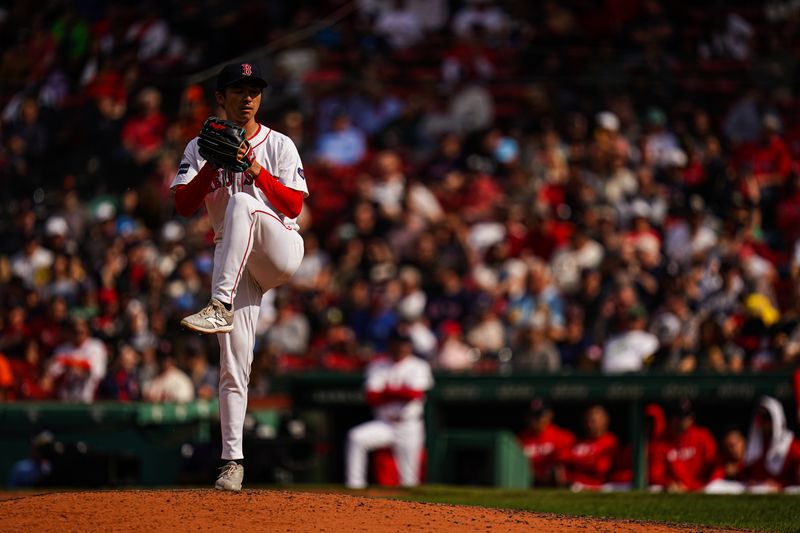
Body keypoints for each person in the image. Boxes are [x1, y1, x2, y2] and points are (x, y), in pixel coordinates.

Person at [172, 62, 307, 491]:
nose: (248, 96)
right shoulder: (199, 146)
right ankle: (232, 463)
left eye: (254, 89)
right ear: (221, 98)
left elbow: (294, 207)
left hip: (278, 247)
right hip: (234, 258)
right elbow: (183, 205)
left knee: (242, 205)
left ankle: (219, 304)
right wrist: (213, 166)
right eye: (238, 89)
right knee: (233, 364)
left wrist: (255, 172)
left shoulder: (279, 144)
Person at [345, 326, 434, 489]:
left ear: (409, 346)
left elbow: (414, 394)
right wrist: (399, 392)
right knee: (356, 438)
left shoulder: (419, 366)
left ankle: (413, 512)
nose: (400, 347)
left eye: (404, 343)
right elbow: (371, 396)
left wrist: (386, 391)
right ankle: (355, 486)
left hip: (409, 425)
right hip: (384, 424)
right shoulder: (378, 365)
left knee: (409, 480)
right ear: (390, 344)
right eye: (397, 343)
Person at [656, 399, 717, 492]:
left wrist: (706, 484)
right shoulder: (661, 441)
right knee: (654, 488)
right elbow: (655, 473)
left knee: (718, 486)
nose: (685, 420)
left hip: (703, 487)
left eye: (688, 416)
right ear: (671, 417)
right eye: (680, 416)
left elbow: (715, 465)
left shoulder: (703, 436)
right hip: (674, 489)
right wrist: (667, 483)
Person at [741, 396, 800, 492]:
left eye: (767, 418)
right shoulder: (755, 445)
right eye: (760, 417)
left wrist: (781, 485)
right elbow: (746, 474)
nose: (763, 423)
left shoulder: (791, 445)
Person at [557, 404, 619, 490]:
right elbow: (562, 460)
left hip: (600, 486)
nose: (589, 425)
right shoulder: (578, 442)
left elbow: (601, 469)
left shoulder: (610, 441)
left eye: (593, 421)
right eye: (587, 421)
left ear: (605, 421)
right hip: (573, 485)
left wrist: (575, 462)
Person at [517, 398, 575, 486]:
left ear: (549, 415)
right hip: (528, 483)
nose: (534, 420)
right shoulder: (519, 439)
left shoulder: (564, 437)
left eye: (539, 416)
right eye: (531, 416)